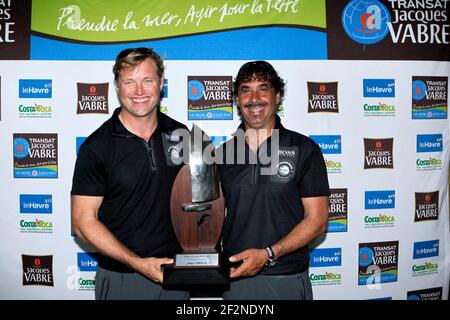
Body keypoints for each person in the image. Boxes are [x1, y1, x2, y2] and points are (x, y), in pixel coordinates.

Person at [71, 47, 189, 300]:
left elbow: (203, 204)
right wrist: (136, 262)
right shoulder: (97, 146)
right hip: (122, 278)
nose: (139, 92)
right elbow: (83, 222)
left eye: (147, 80)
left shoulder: (183, 136)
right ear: (117, 86)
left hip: (175, 276)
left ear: (161, 83)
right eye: (129, 82)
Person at [218, 60, 330, 300]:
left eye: (263, 88)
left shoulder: (304, 149)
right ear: (237, 99)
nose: (254, 98)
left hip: (285, 277)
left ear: (277, 96)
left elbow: (318, 220)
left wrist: (268, 254)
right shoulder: (222, 155)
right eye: (246, 90)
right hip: (236, 278)